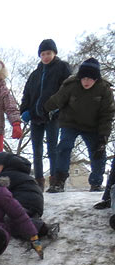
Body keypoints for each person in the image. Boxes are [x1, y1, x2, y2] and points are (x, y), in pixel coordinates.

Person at [44, 58, 115, 193]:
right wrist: (44, 109)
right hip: (70, 122)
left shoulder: (104, 89)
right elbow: (57, 99)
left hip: (93, 126)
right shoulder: (71, 85)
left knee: (98, 151)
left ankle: (96, 182)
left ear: (96, 79)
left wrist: (103, 137)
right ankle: (59, 181)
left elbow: (108, 114)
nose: (86, 82)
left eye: (90, 79)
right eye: (84, 78)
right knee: (64, 146)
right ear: (79, 77)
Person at [20, 39, 72, 190]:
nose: (46, 57)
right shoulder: (35, 74)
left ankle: (55, 180)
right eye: (43, 54)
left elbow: (67, 89)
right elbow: (27, 94)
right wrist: (24, 111)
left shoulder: (62, 68)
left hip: (52, 115)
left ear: (54, 53)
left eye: (48, 53)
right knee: (36, 150)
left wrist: (57, 107)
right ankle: (38, 181)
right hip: (35, 116)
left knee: (52, 148)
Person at [0, 152, 59, 239]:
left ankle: (45, 229)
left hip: (24, 203)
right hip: (33, 205)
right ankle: (34, 222)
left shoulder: (6, 176)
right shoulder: (20, 174)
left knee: (9, 220)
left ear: (6, 166)